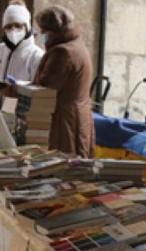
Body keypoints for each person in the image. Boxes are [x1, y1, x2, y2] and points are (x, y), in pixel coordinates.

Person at [34, 6, 95, 157]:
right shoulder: (78, 45)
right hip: (80, 115)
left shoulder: (62, 52)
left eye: (43, 31)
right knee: (78, 159)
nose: (41, 35)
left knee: (62, 162)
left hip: (64, 119)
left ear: (52, 31)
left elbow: (46, 85)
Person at [0, 1, 45, 109]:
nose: (13, 30)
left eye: (18, 25)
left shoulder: (37, 56)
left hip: (21, 113)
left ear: (27, 27)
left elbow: (38, 91)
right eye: (8, 27)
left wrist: (19, 88)